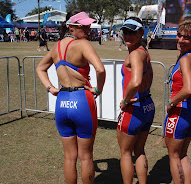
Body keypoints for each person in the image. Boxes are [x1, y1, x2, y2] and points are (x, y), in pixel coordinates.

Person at [36, 10, 106, 184]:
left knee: (69, 157)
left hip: (62, 102)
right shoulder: (83, 45)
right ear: (71, 27)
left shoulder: (56, 46)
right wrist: (98, 90)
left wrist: (50, 88)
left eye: (89, 26)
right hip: (82, 101)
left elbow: (40, 68)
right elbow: (100, 69)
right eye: (84, 26)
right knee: (86, 157)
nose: (88, 29)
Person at [117, 17, 155, 184]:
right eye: (125, 32)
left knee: (126, 153)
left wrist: (125, 100)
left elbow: (136, 81)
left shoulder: (136, 54)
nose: (127, 36)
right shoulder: (145, 52)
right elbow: (150, 77)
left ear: (141, 33)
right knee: (139, 150)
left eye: (132, 32)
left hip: (134, 108)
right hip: (147, 104)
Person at [164, 19, 191, 184]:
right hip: (190, 110)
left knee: (174, 156)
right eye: (179, 35)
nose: (180, 40)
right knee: (182, 154)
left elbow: (188, 89)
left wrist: (171, 103)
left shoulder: (186, 59)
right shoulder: (189, 56)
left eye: (186, 37)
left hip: (180, 110)